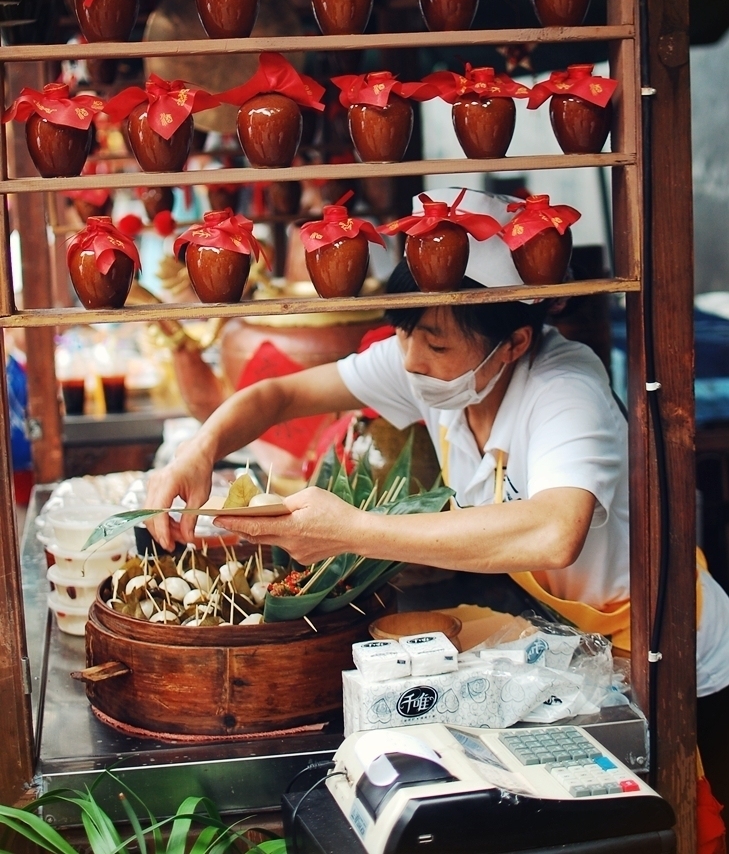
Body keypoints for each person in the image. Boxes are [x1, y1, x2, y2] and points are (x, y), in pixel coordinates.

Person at [146, 187, 729, 825]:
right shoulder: (424, 366)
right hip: (578, 649)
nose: (412, 359)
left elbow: (555, 531)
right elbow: (278, 396)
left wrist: (353, 532)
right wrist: (199, 450)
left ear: (514, 343)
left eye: (437, 344)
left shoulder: (566, 391)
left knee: (684, 821)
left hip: (675, 654)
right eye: (405, 333)